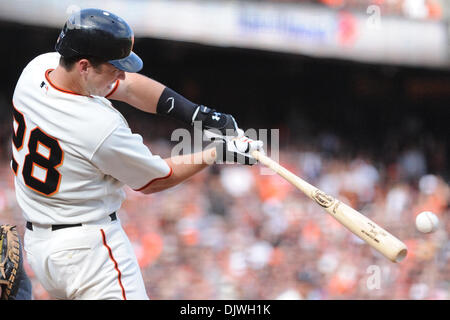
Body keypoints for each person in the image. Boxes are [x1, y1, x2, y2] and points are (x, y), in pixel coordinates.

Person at [11, 8, 263, 300]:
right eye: (114, 66)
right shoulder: (99, 127)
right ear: (84, 66)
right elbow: (155, 179)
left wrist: (197, 115)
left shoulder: (36, 69)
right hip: (90, 253)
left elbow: (129, 87)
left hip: (41, 248)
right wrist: (214, 153)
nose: (122, 73)